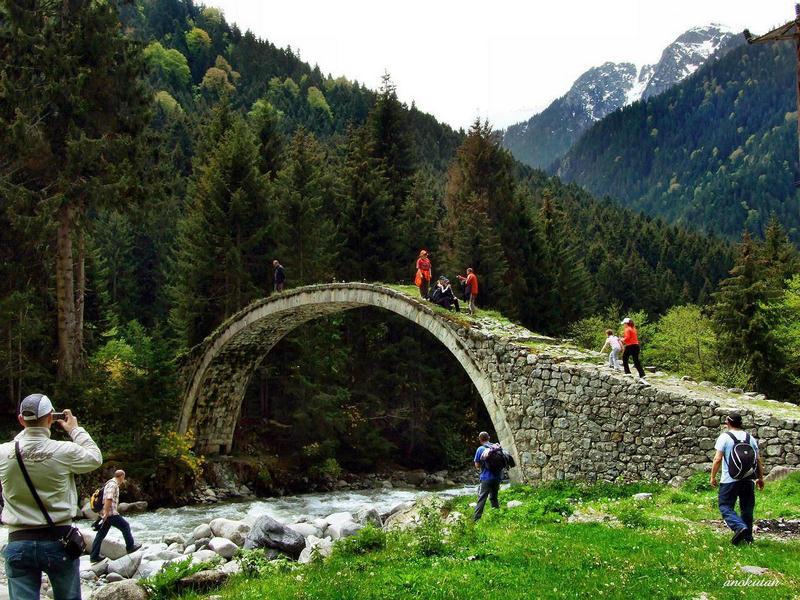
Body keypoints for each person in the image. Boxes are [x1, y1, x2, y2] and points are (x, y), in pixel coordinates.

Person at [0, 393, 103, 600]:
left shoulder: (3, 452)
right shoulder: (63, 450)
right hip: (59, 540)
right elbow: (95, 457)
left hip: (18, 541)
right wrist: (74, 429)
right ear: (50, 419)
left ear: (21, 420)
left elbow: (20, 443)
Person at [711, 413, 765, 545]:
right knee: (747, 508)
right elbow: (757, 460)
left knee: (725, 506)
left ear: (728, 423)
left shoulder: (725, 437)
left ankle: (739, 527)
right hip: (748, 479)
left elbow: (718, 459)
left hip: (730, 480)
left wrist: (712, 476)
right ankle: (748, 539)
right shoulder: (750, 438)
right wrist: (760, 478)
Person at [89, 469, 140, 563]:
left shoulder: (108, 483)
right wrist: (106, 513)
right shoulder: (113, 484)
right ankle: (130, 547)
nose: (123, 480)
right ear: (121, 477)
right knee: (125, 526)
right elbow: (109, 498)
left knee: (100, 535)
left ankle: (94, 556)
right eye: (123, 478)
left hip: (106, 513)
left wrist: (104, 514)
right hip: (110, 513)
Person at [472, 431, 501, 521]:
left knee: (482, 498)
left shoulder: (480, 449)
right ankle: (496, 517)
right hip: (497, 477)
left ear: (480, 440)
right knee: (494, 497)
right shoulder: (496, 447)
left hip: (486, 478)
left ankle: (476, 519)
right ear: (488, 438)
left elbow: (477, 465)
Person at [620, 317, 646, 382]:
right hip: (636, 345)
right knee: (636, 361)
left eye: (624, 324)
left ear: (626, 323)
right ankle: (642, 374)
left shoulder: (627, 329)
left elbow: (627, 338)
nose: (624, 325)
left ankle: (627, 372)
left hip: (630, 346)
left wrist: (621, 339)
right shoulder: (633, 329)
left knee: (624, 358)